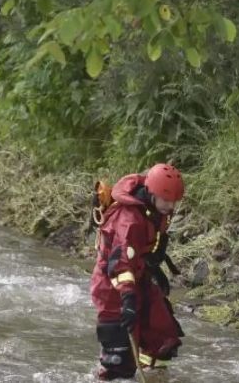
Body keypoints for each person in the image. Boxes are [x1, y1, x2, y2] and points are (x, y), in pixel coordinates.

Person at [90, 163, 185, 380]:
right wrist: (128, 298)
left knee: (162, 340)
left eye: (174, 202)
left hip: (140, 275)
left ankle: (152, 375)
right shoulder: (129, 220)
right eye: (166, 201)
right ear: (151, 193)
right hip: (112, 287)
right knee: (117, 362)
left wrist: (152, 267)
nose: (170, 207)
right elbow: (122, 263)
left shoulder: (155, 208)